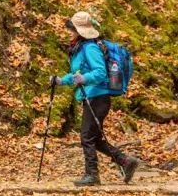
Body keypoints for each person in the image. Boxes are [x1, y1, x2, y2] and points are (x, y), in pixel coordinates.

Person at [51, 11, 139, 187]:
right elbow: (78, 73)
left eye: (72, 29)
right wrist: (61, 80)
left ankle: (92, 175)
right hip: (91, 96)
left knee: (86, 136)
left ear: (79, 31)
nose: (69, 32)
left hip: (98, 97)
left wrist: (85, 79)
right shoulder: (80, 47)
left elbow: (99, 72)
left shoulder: (89, 47)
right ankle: (126, 162)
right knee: (94, 138)